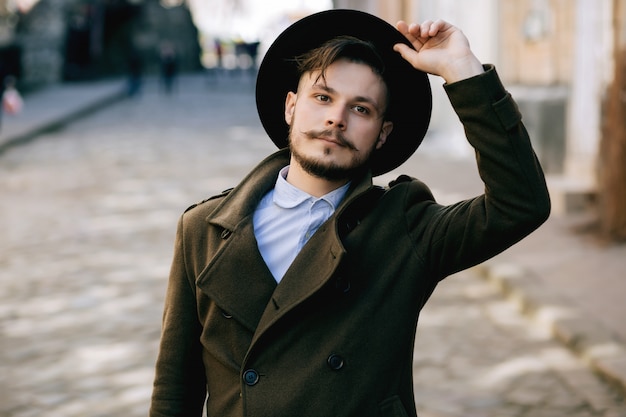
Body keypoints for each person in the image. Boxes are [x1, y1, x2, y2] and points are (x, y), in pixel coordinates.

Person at [149, 9, 550, 417]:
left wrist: (463, 71)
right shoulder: (203, 229)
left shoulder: (404, 228)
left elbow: (520, 204)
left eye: (361, 109)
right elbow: (174, 392)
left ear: (382, 134)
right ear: (291, 107)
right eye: (323, 97)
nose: (335, 119)